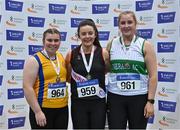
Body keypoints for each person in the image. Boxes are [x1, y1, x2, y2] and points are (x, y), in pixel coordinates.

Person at [106, 11, 157, 129]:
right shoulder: (111, 44)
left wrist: (150, 102)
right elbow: (106, 69)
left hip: (139, 98)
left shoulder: (145, 45)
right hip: (116, 97)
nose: (126, 25)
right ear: (118, 26)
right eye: (122, 23)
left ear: (135, 24)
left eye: (130, 22)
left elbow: (153, 76)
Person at [65, 19, 110, 129]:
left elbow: (106, 71)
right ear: (79, 36)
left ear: (95, 34)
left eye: (90, 33)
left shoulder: (103, 53)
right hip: (78, 103)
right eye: (83, 34)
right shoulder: (71, 54)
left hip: (98, 102)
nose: (87, 36)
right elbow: (68, 77)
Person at [23, 28, 68, 129]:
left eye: (56, 40)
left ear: (60, 42)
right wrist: (38, 111)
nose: (53, 43)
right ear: (43, 41)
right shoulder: (34, 60)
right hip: (43, 109)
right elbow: (27, 87)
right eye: (49, 40)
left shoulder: (60, 56)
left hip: (62, 110)